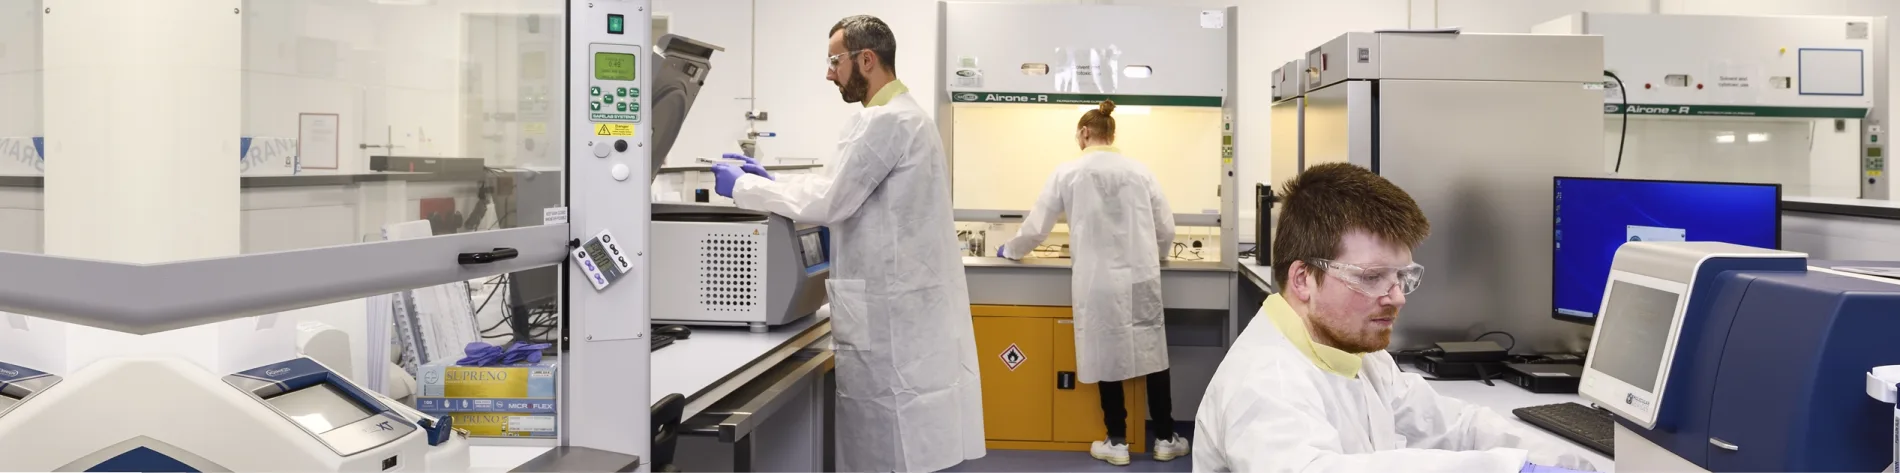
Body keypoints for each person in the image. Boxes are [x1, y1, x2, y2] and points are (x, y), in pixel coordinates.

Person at [710, 14, 985, 473]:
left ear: (866, 59)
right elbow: (842, 185)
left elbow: (831, 199)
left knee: (888, 446)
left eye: (834, 61)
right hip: (899, 314)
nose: (828, 73)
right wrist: (773, 179)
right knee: (902, 444)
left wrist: (744, 189)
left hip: (890, 320)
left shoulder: (887, 122)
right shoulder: (906, 118)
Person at [1192, 163, 1598, 473]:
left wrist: (1560, 460)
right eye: (1371, 278)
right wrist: (1505, 469)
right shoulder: (1264, 383)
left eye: (1402, 277)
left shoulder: (1352, 351)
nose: (1397, 297)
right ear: (1303, 279)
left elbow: (1453, 425)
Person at [994, 100, 1189, 466]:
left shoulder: (1068, 172)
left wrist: (1011, 250)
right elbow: (1166, 228)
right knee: (1153, 353)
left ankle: (1117, 441)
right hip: (1140, 277)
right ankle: (1165, 438)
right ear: (1111, 134)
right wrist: (1156, 254)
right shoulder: (1140, 171)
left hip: (1097, 280)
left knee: (1105, 352)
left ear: (1084, 133)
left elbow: (1037, 227)